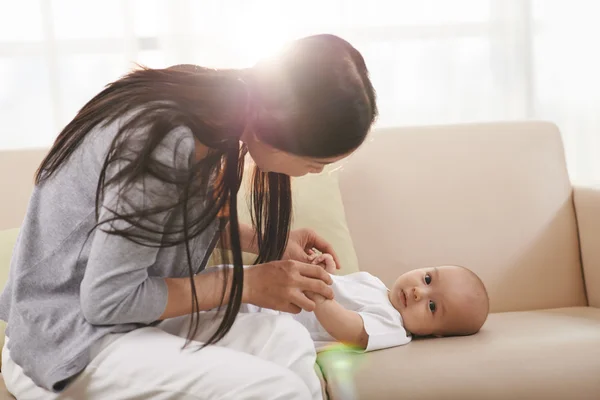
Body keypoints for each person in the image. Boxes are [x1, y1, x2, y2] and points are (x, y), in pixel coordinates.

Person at [0, 34, 378, 399]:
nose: (315, 172)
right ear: (282, 129)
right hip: (64, 341)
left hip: (127, 325)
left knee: (287, 339)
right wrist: (246, 283)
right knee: (277, 390)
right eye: (317, 163)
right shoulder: (167, 138)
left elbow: (159, 224)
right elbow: (108, 300)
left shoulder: (210, 116)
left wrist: (265, 242)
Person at [249, 253, 489, 352]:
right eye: (427, 279)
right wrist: (325, 273)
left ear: (435, 334)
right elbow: (343, 291)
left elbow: (349, 328)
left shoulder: (394, 326)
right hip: (265, 294)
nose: (419, 292)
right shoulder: (374, 283)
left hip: (268, 319)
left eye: (432, 306)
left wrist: (318, 293)